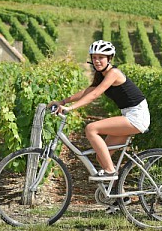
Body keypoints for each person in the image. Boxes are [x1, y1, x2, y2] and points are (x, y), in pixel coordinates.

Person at [48, 40, 150, 211]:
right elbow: (88, 91)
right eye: (94, 58)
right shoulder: (102, 75)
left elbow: (95, 94)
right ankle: (121, 199)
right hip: (129, 114)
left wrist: (70, 108)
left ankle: (110, 171)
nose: (97, 61)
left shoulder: (114, 73)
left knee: (91, 128)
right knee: (101, 157)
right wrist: (63, 101)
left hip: (136, 116)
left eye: (101, 58)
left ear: (109, 58)